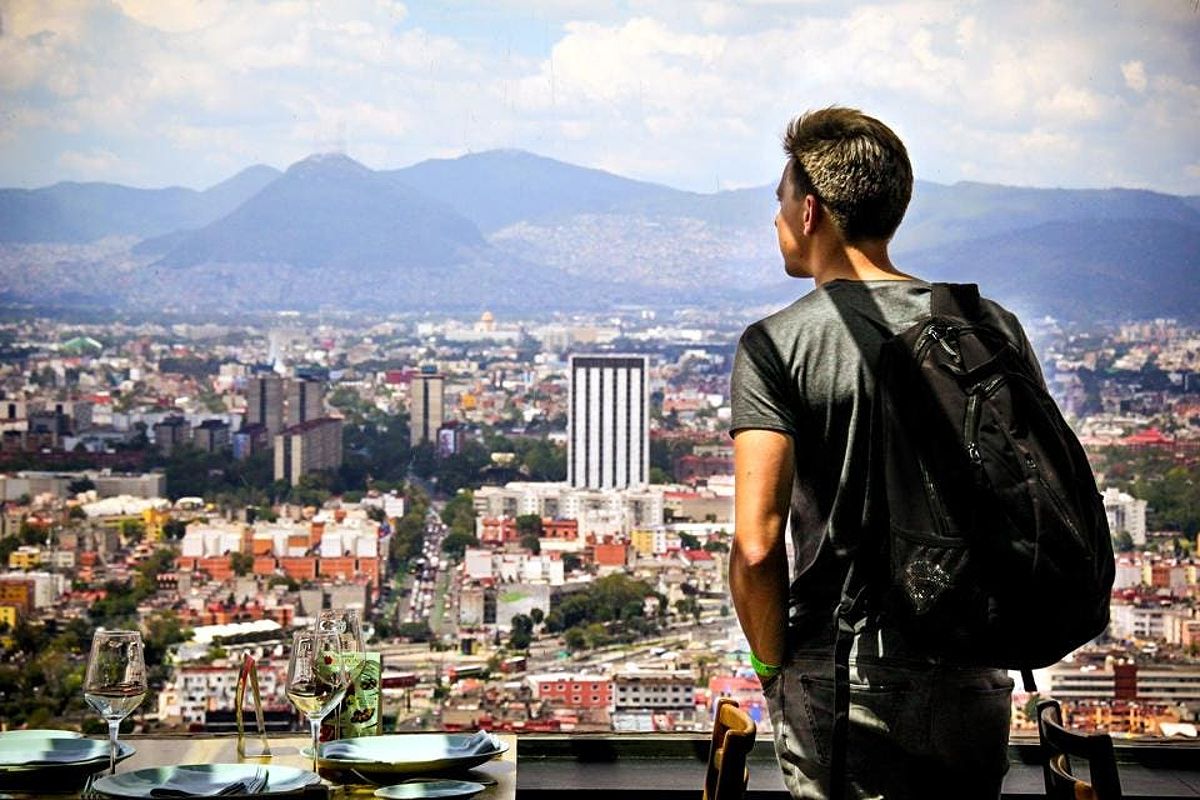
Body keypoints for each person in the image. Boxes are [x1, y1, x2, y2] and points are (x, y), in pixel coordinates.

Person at [728, 107, 1030, 799]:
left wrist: (772, 666)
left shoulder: (780, 344)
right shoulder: (990, 327)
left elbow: (754, 546)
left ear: (810, 213)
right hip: (973, 669)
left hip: (845, 675)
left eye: (778, 202)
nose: (774, 220)